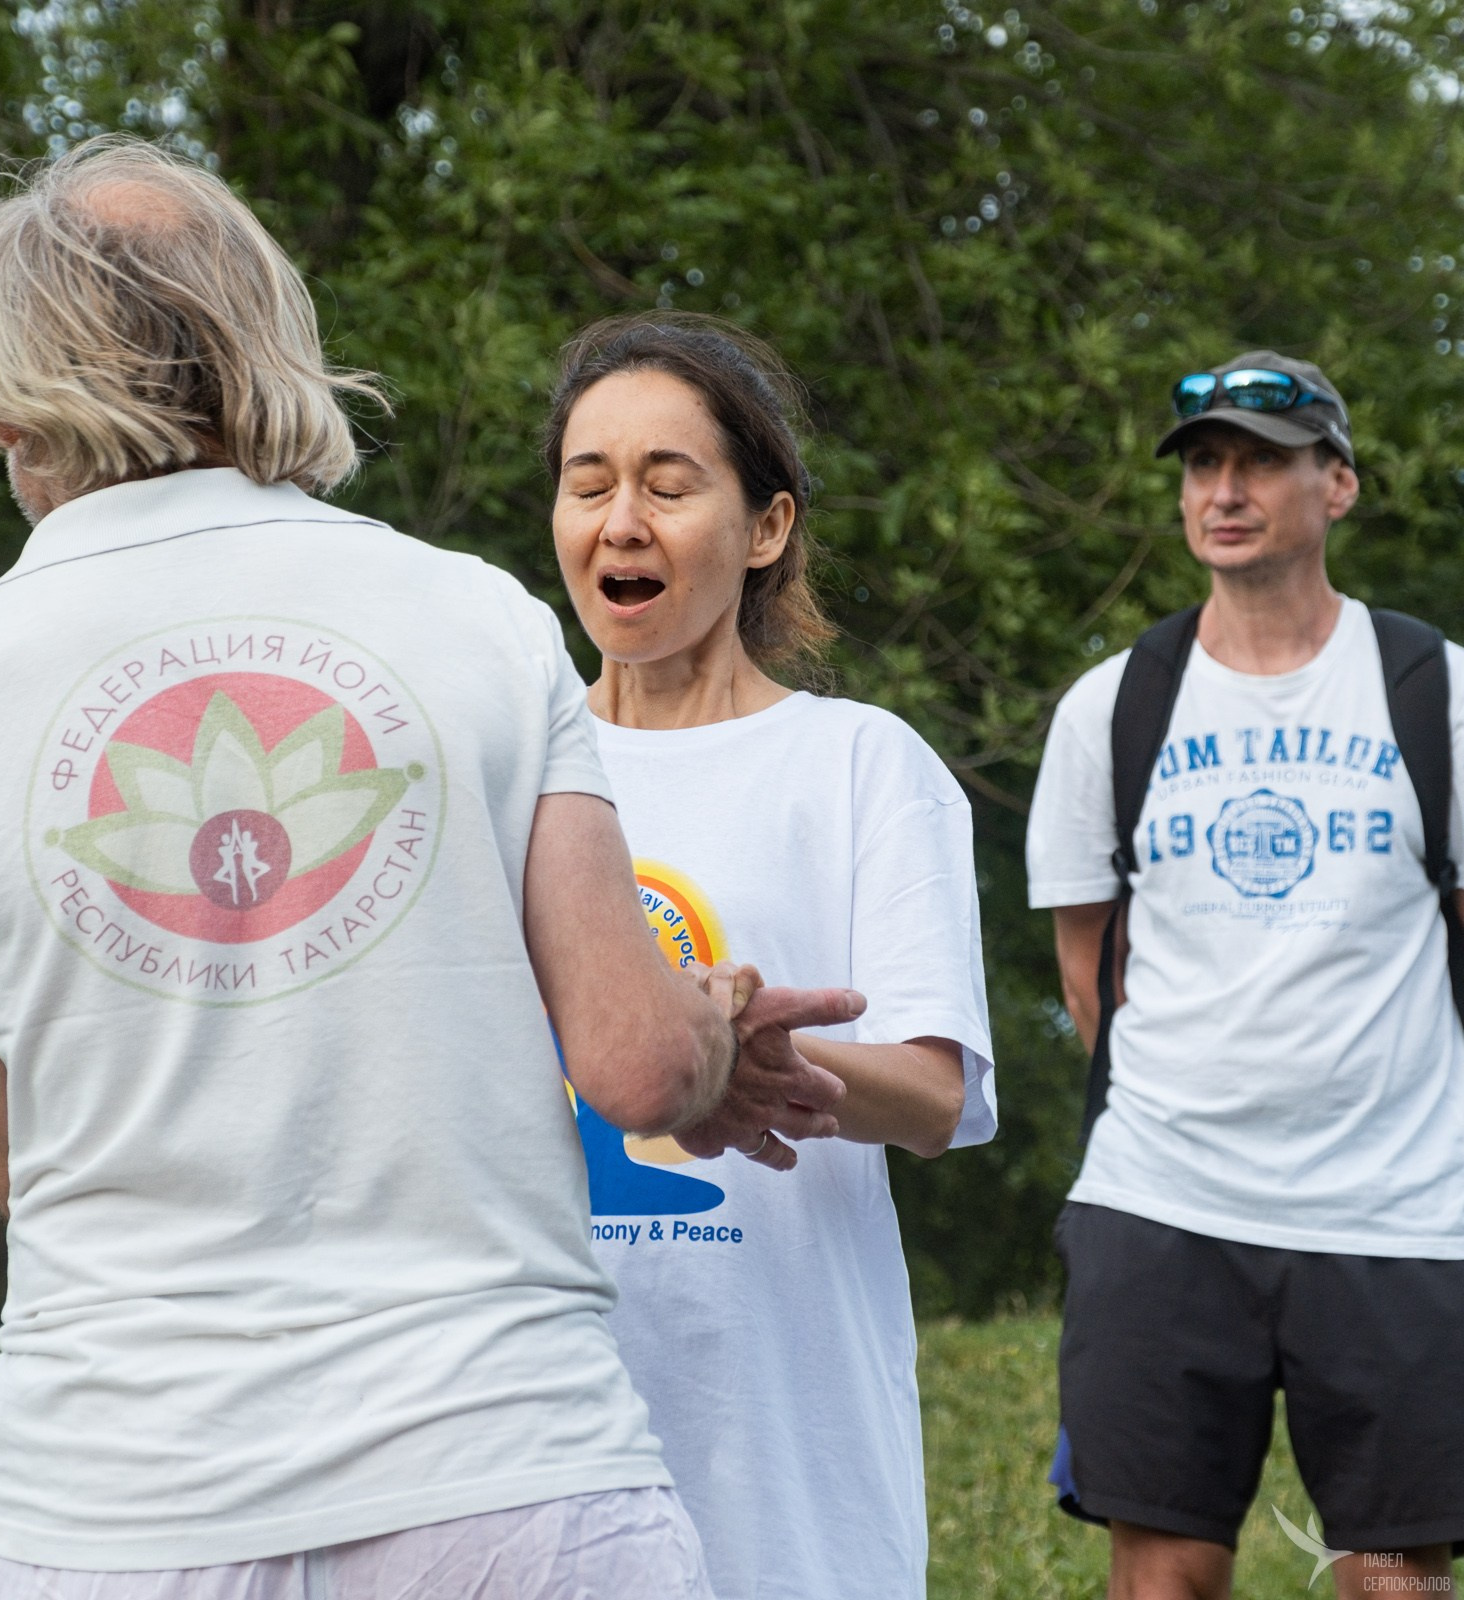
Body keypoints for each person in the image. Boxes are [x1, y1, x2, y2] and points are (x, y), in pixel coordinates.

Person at [0, 134, 853, 1599]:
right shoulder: (476, 619)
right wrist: (712, 1033)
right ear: (263, 335)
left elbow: (24, 1163)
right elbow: (636, 1072)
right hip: (504, 1475)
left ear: (6, 392)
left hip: (95, 1513)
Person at [543, 313, 997, 1599]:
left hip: (787, 1456)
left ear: (765, 529)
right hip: (533, 1433)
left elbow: (938, 1091)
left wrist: (745, 1065)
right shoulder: (499, 767)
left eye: (666, 485)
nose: (619, 521)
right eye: (588, 485)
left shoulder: (859, 765)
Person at [1028, 351, 1464, 1598]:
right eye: (1204, 464)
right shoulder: (1112, 707)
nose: (1224, 489)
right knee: (1163, 1574)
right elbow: (1085, 979)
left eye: (1260, 463)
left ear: (1337, 486)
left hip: (1391, 1210)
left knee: (1393, 1577)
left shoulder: (1430, 692)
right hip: (1165, 1203)